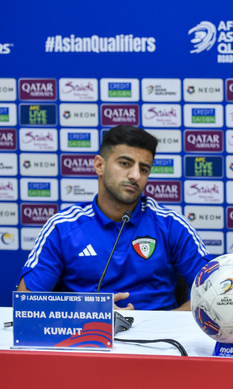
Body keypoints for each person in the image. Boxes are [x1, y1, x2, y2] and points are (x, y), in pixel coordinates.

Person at [17, 125, 211, 310]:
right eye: (125, 164)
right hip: (86, 337)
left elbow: (213, 294)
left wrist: (159, 323)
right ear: (99, 165)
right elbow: (25, 304)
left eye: (144, 169)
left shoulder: (171, 225)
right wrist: (89, 311)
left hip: (159, 340)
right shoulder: (63, 227)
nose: (135, 175)